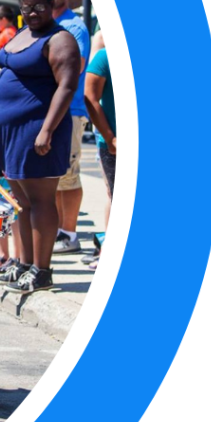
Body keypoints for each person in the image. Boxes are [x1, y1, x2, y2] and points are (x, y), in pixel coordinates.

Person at [0, 0, 81, 293]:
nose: (33, 12)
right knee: (20, 200)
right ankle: (22, 265)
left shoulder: (60, 39)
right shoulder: (24, 33)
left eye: (39, 6)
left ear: (52, 5)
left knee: (40, 200)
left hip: (37, 130)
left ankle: (41, 270)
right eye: (27, 8)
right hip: (9, 130)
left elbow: (66, 86)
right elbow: (9, 69)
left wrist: (47, 130)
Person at [42, 0, 91, 256]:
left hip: (69, 111)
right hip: (50, 112)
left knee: (68, 175)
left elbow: (77, 66)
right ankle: (60, 231)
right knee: (56, 177)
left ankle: (69, 234)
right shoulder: (49, 23)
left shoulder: (73, 27)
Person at [83, 44, 115, 271]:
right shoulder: (105, 56)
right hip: (115, 142)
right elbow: (90, 97)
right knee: (118, 196)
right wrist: (111, 138)